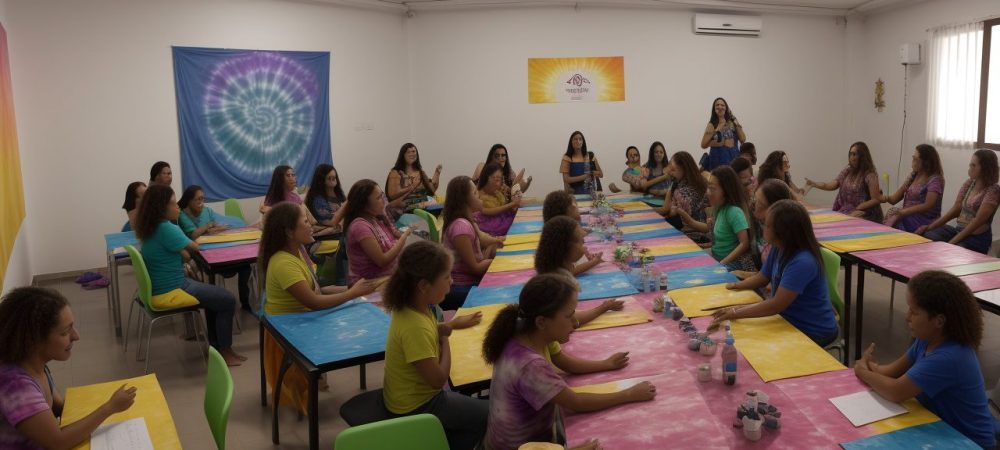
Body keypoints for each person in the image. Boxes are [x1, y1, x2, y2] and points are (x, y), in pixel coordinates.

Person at [481, 274, 657, 450]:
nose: (576, 322)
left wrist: (606, 364)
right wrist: (629, 394)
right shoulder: (530, 366)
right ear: (542, 321)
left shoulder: (527, 333)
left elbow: (565, 363)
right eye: (569, 315)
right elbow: (576, 402)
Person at [258, 202, 379, 412]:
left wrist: (349, 290)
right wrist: (352, 293)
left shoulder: (296, 252)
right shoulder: (284, 263)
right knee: (354, 325)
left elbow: (317, 290)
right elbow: (313, 303)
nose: (311, 225)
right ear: (289, 232)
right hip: (290, 329)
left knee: (356, 308)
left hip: (299, 320)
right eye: (305, 221)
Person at [853, 271, 995, 449]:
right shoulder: (926, 340)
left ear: (939, 321)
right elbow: (889, 372)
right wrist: (870, 366)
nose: (907, 317)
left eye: (914, 312)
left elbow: (896, 391)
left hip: (968, 442)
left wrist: (862, 371)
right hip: (940, 427)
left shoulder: (949, 357)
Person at [381, 241, 489, 450]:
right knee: (492, 414)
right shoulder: (415, 325)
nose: (452, 281)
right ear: (423, 285)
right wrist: (445, 339)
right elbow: (438, 380)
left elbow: (428, 330)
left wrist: (449, 325)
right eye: (446, 276)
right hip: (417, 407)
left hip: (406, 398)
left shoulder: (413, 308)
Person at [0, 287, 138, 449]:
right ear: (35, 339)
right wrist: (109, 407)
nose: (76, 336)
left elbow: (59, 407)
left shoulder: (37, 365)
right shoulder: (17, 386)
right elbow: (58, 442)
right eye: (65, 332)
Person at [133, 184, 244, 365]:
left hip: (160, 286)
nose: (177, 206)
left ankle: (216, 347)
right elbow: (194, 248)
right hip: (174, 287)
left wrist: (183, 249)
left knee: (214, 297)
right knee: (227, 300)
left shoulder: (150, 227)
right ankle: (225, 351)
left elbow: (184, 254)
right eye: (172, 203)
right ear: (161, 208)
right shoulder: (166, 228)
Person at [712, 200, 839, 346]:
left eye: (766, 224)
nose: (762, 226)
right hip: (787, 319)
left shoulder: (803, 262)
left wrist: (736, 312)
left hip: (812, 330)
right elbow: (762, 277)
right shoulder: (778, 247)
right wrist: (736, 285)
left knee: (747, 341)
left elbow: (776, 305)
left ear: (781, 231)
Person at [176, 184, 255, 311]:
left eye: (203, 199)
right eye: (198, 199)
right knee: (211, 270)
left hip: (216, 247)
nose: (202, 202)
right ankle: (214, 303)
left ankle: (245, 303)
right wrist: (208, 226)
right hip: (198, 253)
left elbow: (217, 227)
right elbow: (194, 234)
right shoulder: (182, 215)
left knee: (245, 267)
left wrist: (211, 227)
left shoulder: (207, 211)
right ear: (189, 201)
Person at [534, 216, 622, 326]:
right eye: (581, 243)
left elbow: (573, 271)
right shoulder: (557, 285)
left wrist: (593, 262)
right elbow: (573, 321)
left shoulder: (556, 268)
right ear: (566, 247)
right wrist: (604, 307)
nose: (584, 248)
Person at [917, 149, 1000, 254]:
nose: (970, 168)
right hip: (958, 231)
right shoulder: (969, 183)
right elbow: (955, 210)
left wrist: (951, 243)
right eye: (970, 165)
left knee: (955, 252)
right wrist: (929, 226)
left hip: (976, 238)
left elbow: (977, 222)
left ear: (985, 168)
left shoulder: (993, 190)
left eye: (973, 165)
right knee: (928, 235)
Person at [442, 176, 503, 310]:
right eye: (475, 193)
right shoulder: (461, 227)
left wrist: (499, 241)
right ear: (464, 200)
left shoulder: (468, 221)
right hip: (459, 287)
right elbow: (475, 268)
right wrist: (497, 262)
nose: (479, 196)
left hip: (469, 281)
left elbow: (483, 238)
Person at [683, 166, 757, 271]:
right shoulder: (719, 208)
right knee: (689, 262)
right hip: (717, 257)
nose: (708, 192)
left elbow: (744, 244)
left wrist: (721, 263)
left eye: (712, 188)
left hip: (733, 263)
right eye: (708, 187)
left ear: (726, 190)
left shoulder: (734, 212)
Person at [344, 179, 413, 285]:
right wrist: (404, 238)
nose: (384, 201)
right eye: (379, 198)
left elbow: (392, 240)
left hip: (385, 279)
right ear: (365, 204)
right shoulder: (360, 227)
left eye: (382, 196)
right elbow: (382, 261)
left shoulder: (375, 219)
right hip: (370, 285)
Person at [805, 142, 884, 222]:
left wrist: (859, 208)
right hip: (847, 211)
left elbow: (876, 199)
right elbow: (832, 185)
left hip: (866, 214)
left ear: (862, 156)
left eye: (854, 154)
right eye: (850, 154)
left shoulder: (870, 175)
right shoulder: (848, 171)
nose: (851, 158)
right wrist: (814, 184)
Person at [880, 144, 945, 232]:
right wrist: (883, 197)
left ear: (925, 162)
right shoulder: (913, 175)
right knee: (891, 214)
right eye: (913, 158)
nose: (912, 162)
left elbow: (929, 205)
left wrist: (905, 212)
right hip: (908, 215)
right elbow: (894, 199)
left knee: (898, 221)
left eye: (915, 159)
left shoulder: (935, 179)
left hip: (924, 219)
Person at [656, 151, 709, 241]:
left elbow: (672, 213)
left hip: (693, 235)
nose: (670, 172)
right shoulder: (699, 181)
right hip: (704, 232)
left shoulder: (681, 192)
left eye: (673, 170)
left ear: (684, 169)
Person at [386, 143, 441, 216]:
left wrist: (437, 173)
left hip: (422, 202)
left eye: (414, 151)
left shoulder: (421, 172)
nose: (412, 154)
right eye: (408, 152)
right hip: (403, 205)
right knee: (430, 202)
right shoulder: (396, 172)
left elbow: (432, 190)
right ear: (403, 155)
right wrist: (412, 186)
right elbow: (393, 195)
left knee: (432, 201)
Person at [700, 97, 747, 171]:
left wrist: (736, 121)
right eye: (717, 105)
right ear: (714, 109)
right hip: (718, 159)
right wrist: (719, 141)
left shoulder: (732, 123)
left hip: (734, 157)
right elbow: (703, 144)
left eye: (722, 105)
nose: (720, 107)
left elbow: (743, 139)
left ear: (726, 108)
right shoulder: (712, 125)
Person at [476, 163, 523, 237]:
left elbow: (505, 207)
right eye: (497, 179)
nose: (500, 183)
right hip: (489, 225)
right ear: (486, 178)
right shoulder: (479, 195)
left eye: (501, 179)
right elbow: (488, 211)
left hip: (502, 219)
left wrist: (514, 204)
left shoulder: (497, 192)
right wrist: (512, 204)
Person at [304, 164, 347, 236]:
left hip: (341, 232)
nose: (333, 180)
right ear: (321, 180)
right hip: (328, 236)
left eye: (334, 178)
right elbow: (332, 222)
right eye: (329, 178)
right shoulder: (317, 199)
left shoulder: (339, 194)